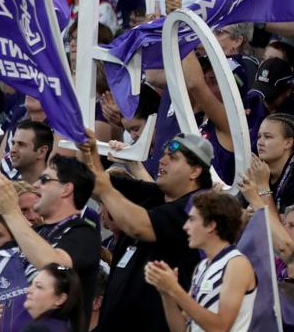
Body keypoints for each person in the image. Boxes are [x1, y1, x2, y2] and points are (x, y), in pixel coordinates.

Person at [83, 130, 213, 332]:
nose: (162, 161)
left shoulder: (199, 207)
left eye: (173, 158)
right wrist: (87, 150)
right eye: (163, 155)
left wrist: (104, 188)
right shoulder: (155, 196)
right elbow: (90, 181)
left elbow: (138, 226)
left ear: (195, 171)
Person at [0, 154, 100, 331]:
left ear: (66, 189)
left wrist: (11, 211)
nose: (36, 185)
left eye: (45, 179)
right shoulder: (34, 235)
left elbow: (54, 265)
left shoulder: (83, 233)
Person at [145, 190, 256, 332]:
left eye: (191, 219)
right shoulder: (202, 266)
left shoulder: (237, 264)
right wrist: (166, 293)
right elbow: (180, 329)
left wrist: (174, 289)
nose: (185, 226)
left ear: (211, 225)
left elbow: (221, 328)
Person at [22, 263, 82, 332]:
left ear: (60, 299)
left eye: (39, 287)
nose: (28, 290)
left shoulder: (36, 329)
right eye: (31, 284)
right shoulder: (65, 327)